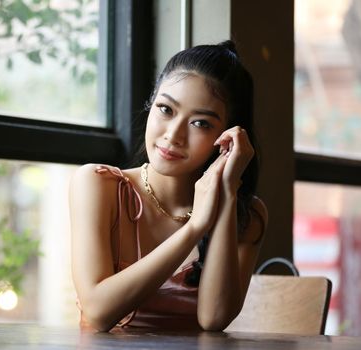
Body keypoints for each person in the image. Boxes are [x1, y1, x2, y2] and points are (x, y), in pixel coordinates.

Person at [69, 40, 268, 332]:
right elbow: (98, 312)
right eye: (165, 109)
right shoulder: (99, 185)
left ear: (226, 137)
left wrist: (226, 193)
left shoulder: (246, 214)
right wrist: (194, 228)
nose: (173, 135)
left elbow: (213, 318)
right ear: (151, 104)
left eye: (200, 124)